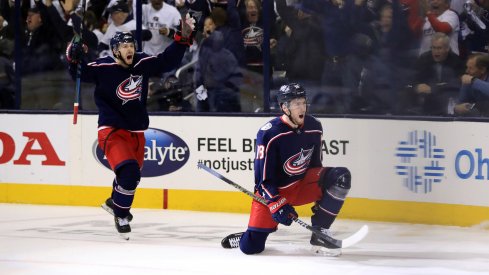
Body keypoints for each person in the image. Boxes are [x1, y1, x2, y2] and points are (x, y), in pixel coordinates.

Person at [65, 15, 195, 237]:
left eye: (131, 45)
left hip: (137, 132)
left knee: (132, 177)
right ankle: (122, 214)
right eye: (124, 46)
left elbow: (167, 61)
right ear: (115, 50)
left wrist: (182, 39)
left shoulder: (141, 63)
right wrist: (73, 56)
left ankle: (114, 202)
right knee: (129, 171)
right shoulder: (102, 67)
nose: (129, 49)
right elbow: (80, 72)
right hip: (112, 130)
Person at [221, 83, 351, 256]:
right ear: (284, 107)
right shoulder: (269, 134)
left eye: (303, 102)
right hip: (275, 191)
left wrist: (321, 200)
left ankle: (320, 233)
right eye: (296, 103)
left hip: (301, 184)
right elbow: (262, 181)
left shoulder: (314, 126)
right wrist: (276, 202)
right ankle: (247, 237)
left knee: (340, 176)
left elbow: (315, 166)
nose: (302, 107)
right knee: (252, 248)